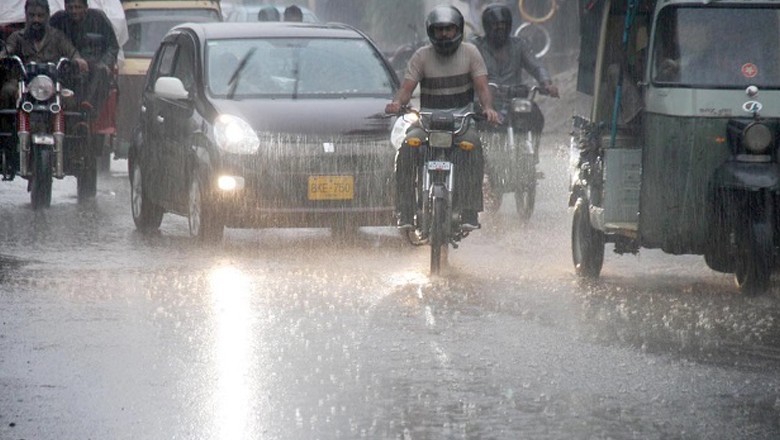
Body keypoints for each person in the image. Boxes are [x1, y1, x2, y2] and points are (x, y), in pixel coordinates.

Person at [385, 5, 500, 230]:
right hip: (426, 122)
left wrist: (488, 108)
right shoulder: (421, 56)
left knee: (474, 147)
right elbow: (406, 89)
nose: (445, 34)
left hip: (462, 122)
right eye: (439, 30)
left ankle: (469, 211)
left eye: (449, 29)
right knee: (407, 148)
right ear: (431, 32)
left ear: (458, 29)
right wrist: (398, 103)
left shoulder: (471, 53)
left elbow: (482, 87)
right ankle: (406, 211)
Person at [471, 3, 558, 136]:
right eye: (495, 25)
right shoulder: (476, 46)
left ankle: (532, 149)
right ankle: (482, 151)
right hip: (486, 100)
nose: (500, 28)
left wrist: (546, 83)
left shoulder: (519, 45)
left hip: (515, 99)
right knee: (475, 124)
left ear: (509, 25)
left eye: (503, 25)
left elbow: (536, 66)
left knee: (535, 115)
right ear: (487, 27)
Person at [50, 0, 119, 118]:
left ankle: (87, 109)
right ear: (65, 7)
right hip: (66, 68)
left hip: (94, 69)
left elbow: (113, 46)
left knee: (100, 72)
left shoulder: (99, 19)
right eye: (70, 7)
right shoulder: (58, 20)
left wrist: (106, 63)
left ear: (86, 7)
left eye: (78, 7)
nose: (74, 11)